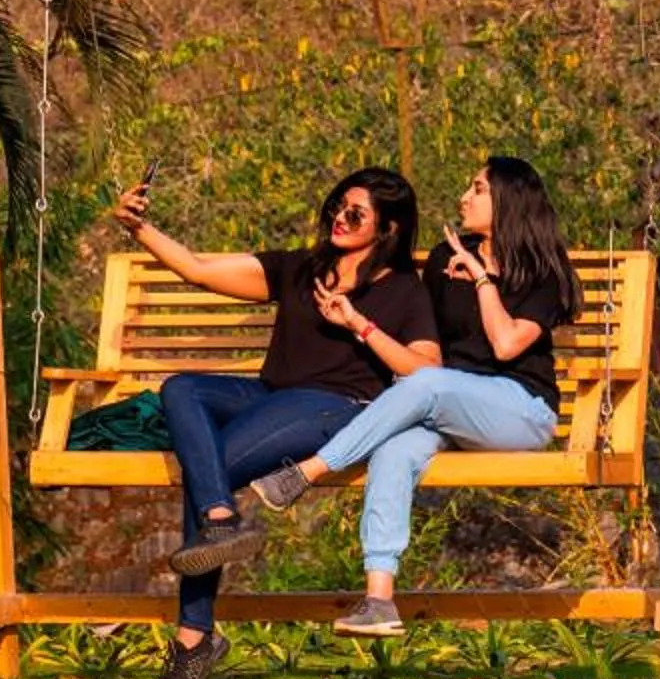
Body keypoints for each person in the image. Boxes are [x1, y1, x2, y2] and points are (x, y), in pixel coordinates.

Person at [107, 165, 441, 679]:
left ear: (389, 229)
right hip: (271, 395)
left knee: (207, 468)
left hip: (339, 408)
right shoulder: (301, 268)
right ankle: (220, 521)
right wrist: (139, 229)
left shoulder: (403, 291)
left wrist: (358, 323)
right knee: (181, 389)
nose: (339, 217)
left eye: (356, 213)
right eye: (337, 204)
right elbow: (196, 269)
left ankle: (195, 637)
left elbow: (425, 372)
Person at [241, 155, 582, 636]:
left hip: (519, 409)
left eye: (477, 189)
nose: (464, 197)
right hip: (447, 406)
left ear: (509, 200)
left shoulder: (541, 269)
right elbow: (427, 348)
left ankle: (309, 471)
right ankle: (379, 601)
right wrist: (358, 325)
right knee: (394, 450)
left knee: (425, 383)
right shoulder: (445, 258)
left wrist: (484, 281)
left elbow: (506, 345)